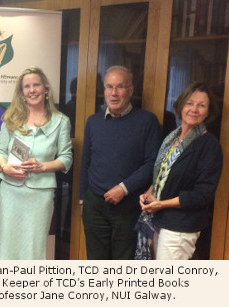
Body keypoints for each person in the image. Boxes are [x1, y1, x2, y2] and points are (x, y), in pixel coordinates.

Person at [80, 65, 161, 260]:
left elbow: (152, 164)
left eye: (120, 87)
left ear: (131, 90)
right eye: (109, 87)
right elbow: (85, 163)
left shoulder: (147, 121)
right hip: (95, 207)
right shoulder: (93, 121)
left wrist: (124, 188)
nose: (114, 93)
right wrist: (83, 199)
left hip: (128, 206)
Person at [138, 81, 223, 260]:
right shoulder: (172, 137)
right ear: (181, 105)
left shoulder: (209, 145)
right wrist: (148, 193)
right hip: (158, 220)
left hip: (181, 227)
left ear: (208, 112)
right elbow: (163, 175)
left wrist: (161, 204)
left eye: (201, 105)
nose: (194, 109)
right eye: (190, 103)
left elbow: (202, 194)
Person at [0, 66, 73, 260]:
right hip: (11, 191)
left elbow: (66, 157)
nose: (32, 90)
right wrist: (5, 167)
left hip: (40, 193)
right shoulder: (10, 119)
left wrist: (42, 166)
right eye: (27, 87)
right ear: (21, 92)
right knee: (7, 243)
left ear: (45, 89)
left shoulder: (61, 121)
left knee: (34, 246)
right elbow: (0, 151)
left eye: (36, 85)